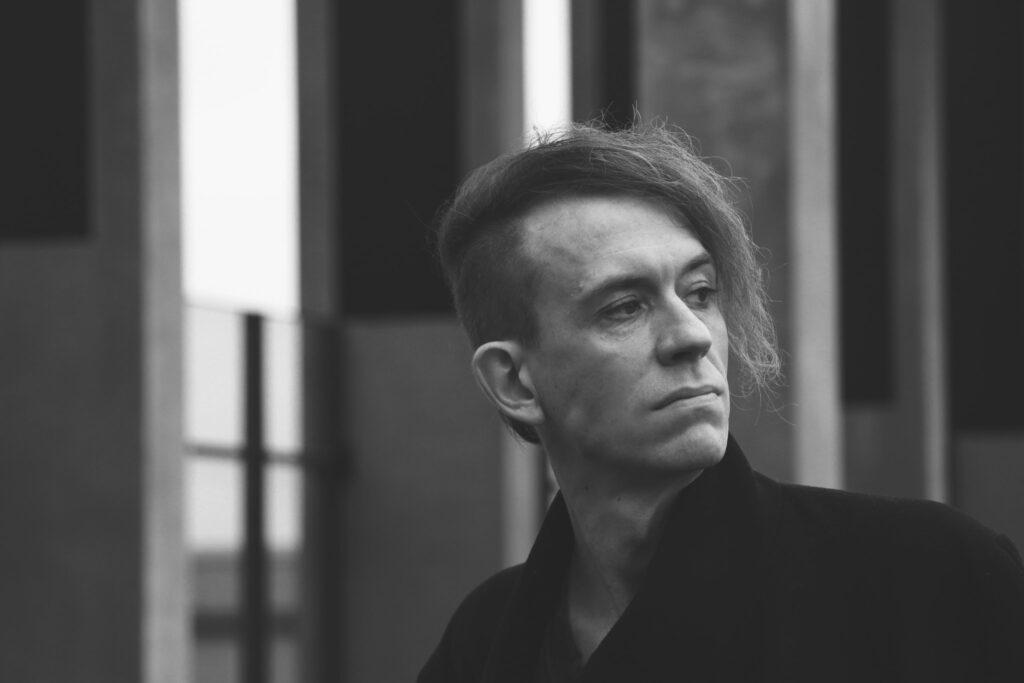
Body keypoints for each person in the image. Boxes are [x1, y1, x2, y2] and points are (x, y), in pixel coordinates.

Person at [418, 122, 1024, 682]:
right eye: (624, 307)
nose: (692, 336)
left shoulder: (931, 575)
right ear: (515, 383)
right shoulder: (483, 644)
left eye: (700, 292)